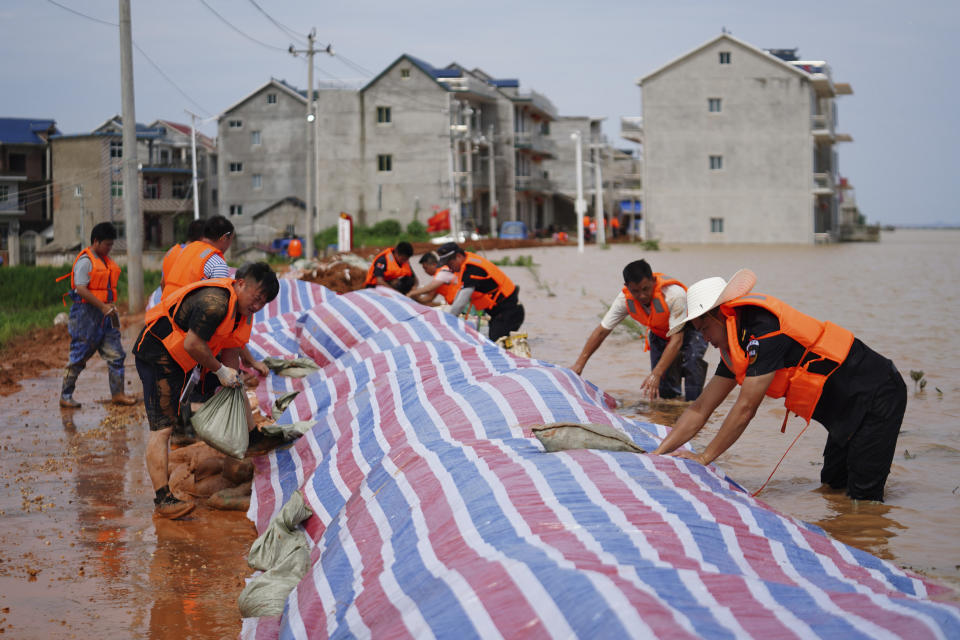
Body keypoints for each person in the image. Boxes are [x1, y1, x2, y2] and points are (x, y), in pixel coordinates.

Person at [652, 269, 907, 502]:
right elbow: (701, 408)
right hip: (844, 409)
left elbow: (745, 408)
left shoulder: (765, 330)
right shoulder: (737, 344)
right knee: (833, 486)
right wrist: (658, 454)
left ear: (720, 314)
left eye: (705, 328)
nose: (705, 338)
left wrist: (704, 458)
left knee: (863, 501)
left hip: (877, 394)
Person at [133, 262, 279, 518]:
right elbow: (193, 343)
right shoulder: (215, 303)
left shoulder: (242, 311)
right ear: (241, 283)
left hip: (184, 358)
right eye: (257, 298)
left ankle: (254, 438)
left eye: (264, 303)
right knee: (162, 428)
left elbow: (232, 348)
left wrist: (231, 379)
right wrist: (220, 370)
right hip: (158, 353)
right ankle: (163, 499)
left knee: (234, 385)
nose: (257, 306)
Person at [572, 260, 707, 401]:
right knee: (665, 393)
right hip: (660, 334)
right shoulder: (624, 299)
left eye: (646, 289)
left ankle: (694, 406)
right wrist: (579, 365)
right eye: (635, 291)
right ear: (627, 287)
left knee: (692, 368)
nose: (642, 296)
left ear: (653, 281)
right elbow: (602, 331)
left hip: (689, 331)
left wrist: (656, 373)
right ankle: (668, 414)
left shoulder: (674, 295)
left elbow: (677, 340)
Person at [56, 222, 137, 409]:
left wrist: (108, 308)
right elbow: (80, 288)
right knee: (79, 356)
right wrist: (102, 306)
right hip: (86, 315)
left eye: (111, 244)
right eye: (107, 244)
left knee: (116, 354)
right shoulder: (86, 261)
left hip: (105, 314)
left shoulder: (106, 262)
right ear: (96, 241)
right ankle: (65, 395)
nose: (109, 248)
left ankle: (118, 394)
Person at [436, 242, 524, 342]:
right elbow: (459, 295)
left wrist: (447, 323)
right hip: (501, 313)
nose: (449, 268)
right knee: (495, 341)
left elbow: (461, 302)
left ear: (459, 256)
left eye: (449, 264)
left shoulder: (472, 269)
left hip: (509, 312)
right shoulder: (466, 263)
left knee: (496, 345)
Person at [160, 215, 233, 298]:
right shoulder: (215, 262)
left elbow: (163, 283)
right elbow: (219, 300)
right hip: (188, 308)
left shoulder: (179, 251)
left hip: (167, 305)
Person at [159, 219, 206, 288]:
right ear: (203, 237)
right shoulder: (198, 254)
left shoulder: (172, 251)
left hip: (167, 296)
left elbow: (162, 282)